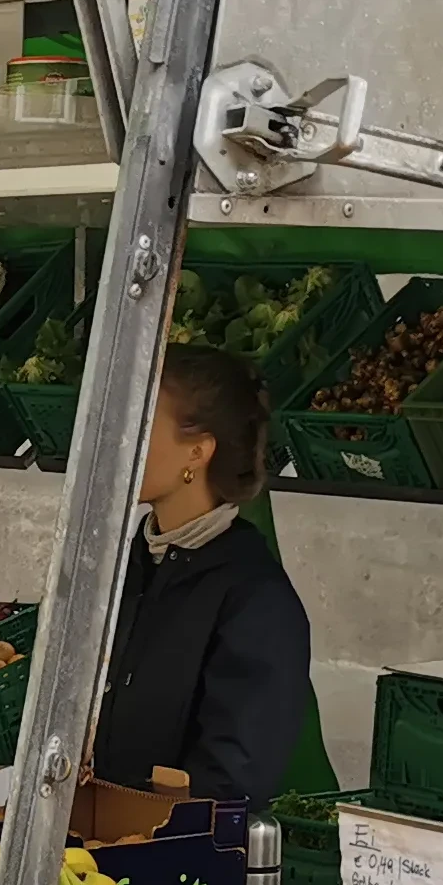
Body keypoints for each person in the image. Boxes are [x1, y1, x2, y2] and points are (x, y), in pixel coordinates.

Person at [90, 344, 314, 808]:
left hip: (175, 870)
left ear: (197, 451)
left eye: (142, 427)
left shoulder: (255, 599)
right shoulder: (130, 564)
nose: (120, 442)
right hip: (96, 851)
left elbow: (233, 779)